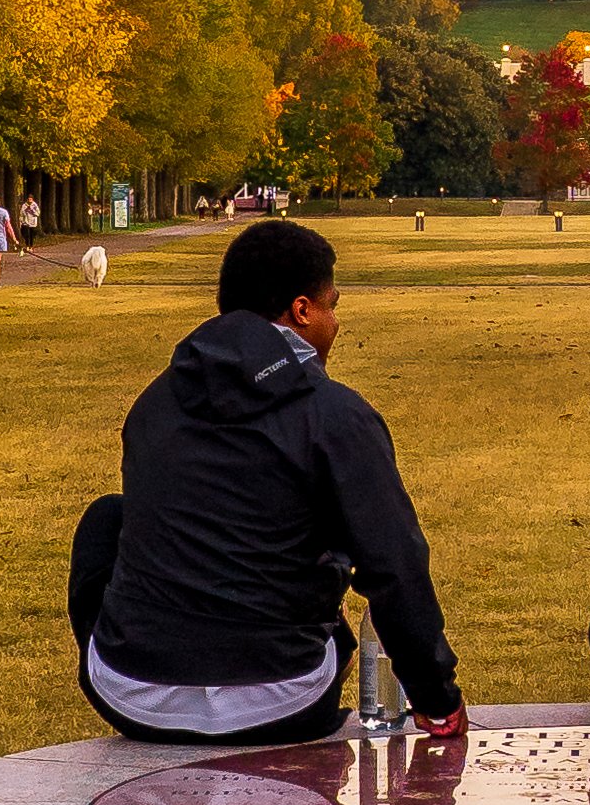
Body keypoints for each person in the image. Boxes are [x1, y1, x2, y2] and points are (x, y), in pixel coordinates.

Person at [68, 218, 464, 747]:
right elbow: (393, 564)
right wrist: (436, 697)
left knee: (107, 517)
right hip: (283, 701)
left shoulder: (153, 403)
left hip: (132, 699)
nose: (336, 324)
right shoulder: (334, 414)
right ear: (302, 310)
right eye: (332, 307)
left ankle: (135, 661)